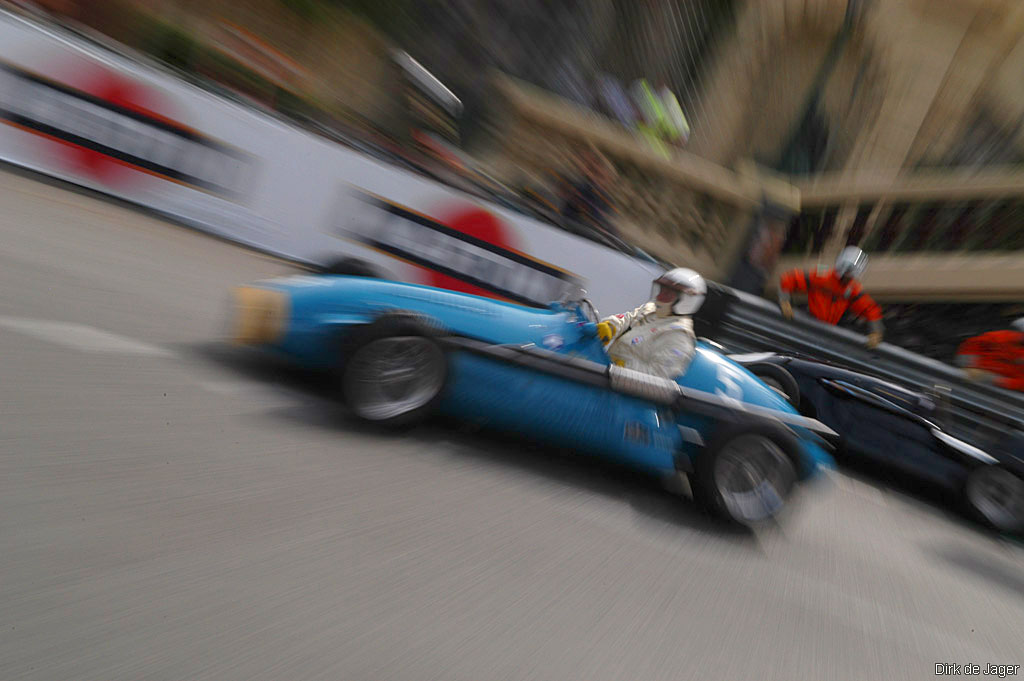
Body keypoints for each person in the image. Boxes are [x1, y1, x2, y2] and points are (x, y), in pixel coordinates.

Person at [595, 268, 706, 380]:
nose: (660, 296)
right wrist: (611, 326)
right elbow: (628, 318)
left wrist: (623, 367)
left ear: (686, 301)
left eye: (668, 294)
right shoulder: (650, 310)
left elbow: (657, 377)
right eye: (661, 290)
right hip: (605, 372)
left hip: (622, 389)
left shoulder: (680, 337)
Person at [778, 246, 884, 348]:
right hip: (807, 324)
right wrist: (784, 301)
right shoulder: (822, 276)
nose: (850, 278)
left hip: (827, 332)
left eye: (852, 275)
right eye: (849, 274)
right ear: (842, 268)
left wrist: (876, 332)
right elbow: (789, 279)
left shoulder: (851, 289)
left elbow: (870, 309)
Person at [956, 319, 1024, 392]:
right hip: (965, 377)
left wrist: (992, 379)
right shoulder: (999, 337)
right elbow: (971, 345)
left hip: (998, 391)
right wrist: (968, 366)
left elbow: (1021, 384)